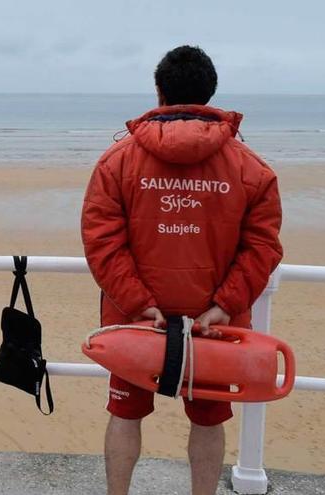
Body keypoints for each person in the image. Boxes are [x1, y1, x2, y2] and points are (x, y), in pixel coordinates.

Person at [81, 45, 282, 495]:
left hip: (135, 322)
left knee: (124, 414)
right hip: (216, 327)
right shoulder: (252, 169)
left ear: (158, 92)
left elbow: (101, 242)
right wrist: (224, 306)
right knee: (209, 419)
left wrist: (138, 304)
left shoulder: (117, 162)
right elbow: (263, 247)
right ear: (209, 95)